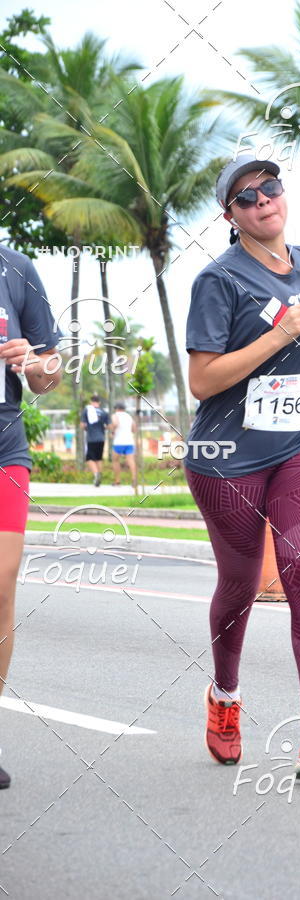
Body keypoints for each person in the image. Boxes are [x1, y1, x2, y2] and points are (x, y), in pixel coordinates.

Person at [185, 154, 300, 777]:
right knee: (239, 586)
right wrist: (283, 335)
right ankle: (225, 695)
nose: (264, 200)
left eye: (271, 187)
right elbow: (203, 380)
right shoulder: (218, 280)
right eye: (247, 196)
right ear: (230, 216)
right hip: (227, 458)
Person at [0, 244, 62, 788]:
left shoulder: (16, 268)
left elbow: (49, 375)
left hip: (5, 442)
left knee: (1, 582)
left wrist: (30, 362)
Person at [80, 393, 109, 486]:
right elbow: (108, 426)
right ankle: (99, 476)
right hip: (101, 438)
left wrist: (87, 429)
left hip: (91, 438)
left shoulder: (87, 410)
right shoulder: (104, 412)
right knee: (98, 459)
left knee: (89, 458)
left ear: (91, 402)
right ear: (99, 402)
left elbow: (83, 425)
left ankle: (96, 474)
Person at [110, 401, 137, 487]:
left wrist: (113, 431)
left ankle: (117, 481)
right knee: (131, 461)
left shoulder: (115, 415)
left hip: (119, 442)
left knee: (115, 461)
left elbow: (115, 423)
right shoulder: (129, 416)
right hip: (129, 441)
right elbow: (134, 428)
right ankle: (134, 479)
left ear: (116, 409)